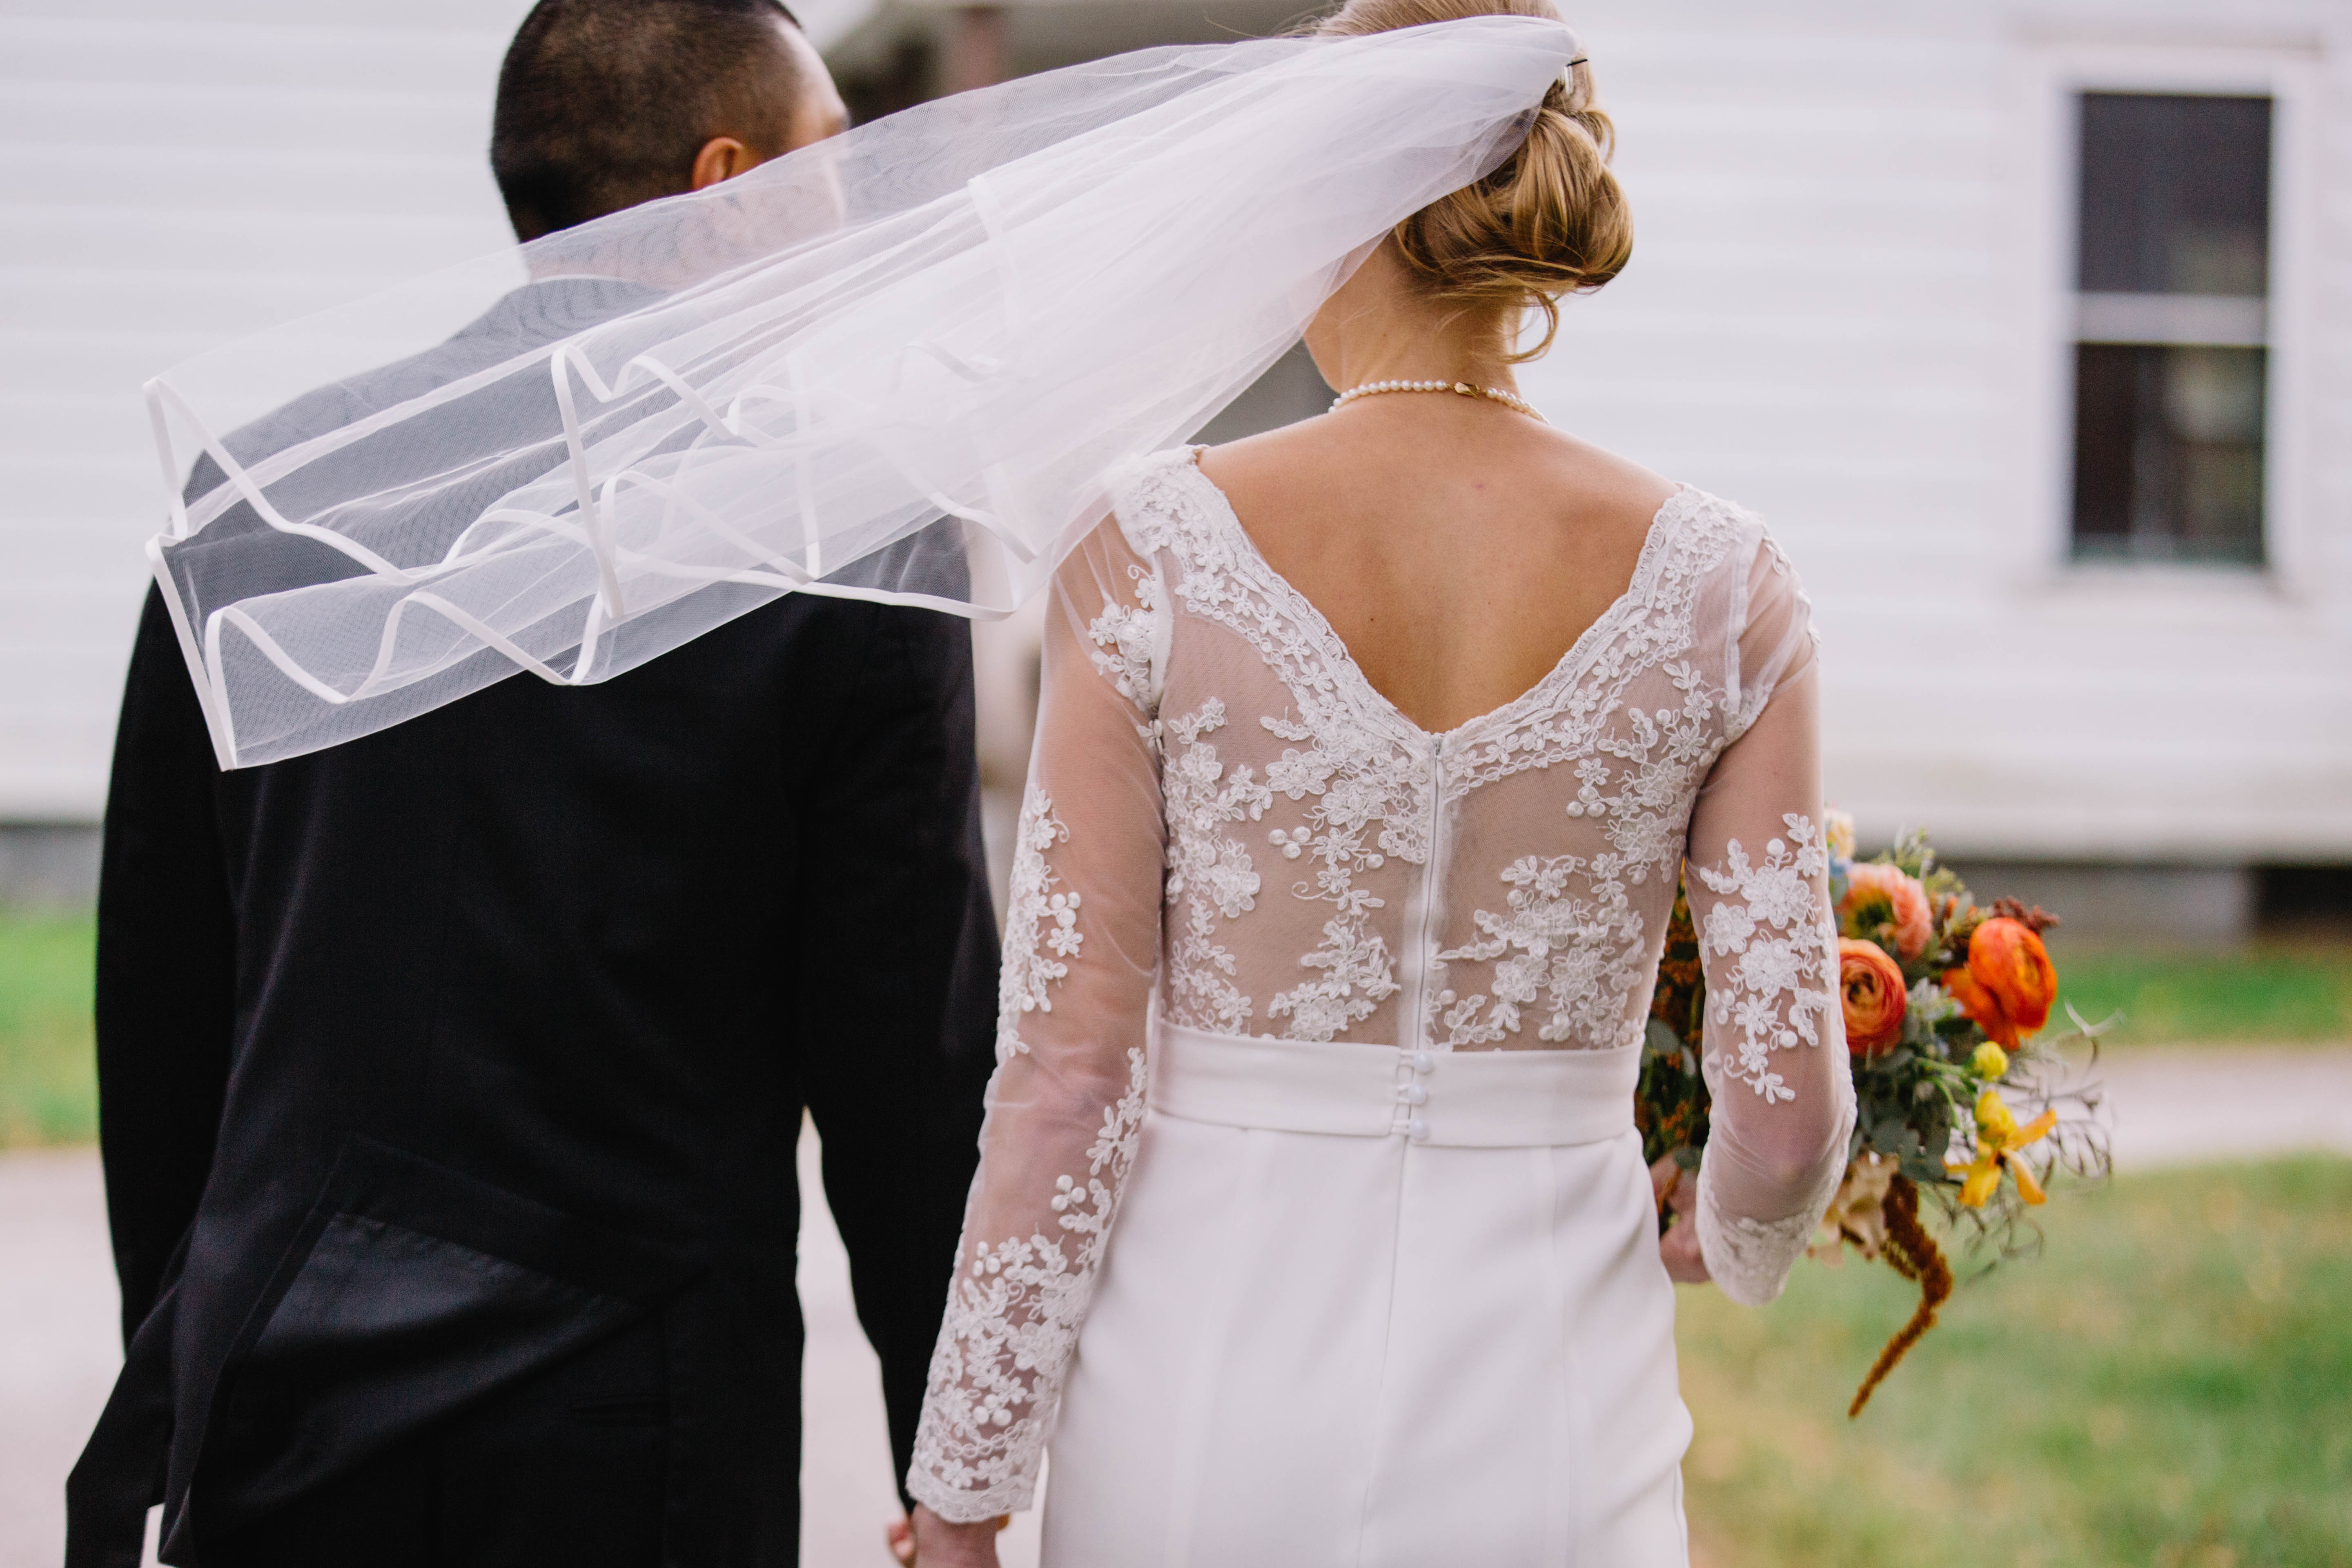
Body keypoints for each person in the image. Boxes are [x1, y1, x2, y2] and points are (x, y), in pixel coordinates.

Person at [903, 0, 1855, 1561]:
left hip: (1203, 1393)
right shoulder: (1722, 587)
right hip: (1554, 1406)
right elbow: (1790, 1107)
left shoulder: (1149, 549)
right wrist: (1735, 1235)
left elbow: (1069, 1078)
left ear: (1344, 201)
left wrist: (964, 1488)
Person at [65, 4, 998, 1565]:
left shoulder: (264, 496)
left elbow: (160, 985)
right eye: (837, 169)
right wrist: (946, 1456)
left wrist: (191, 1336)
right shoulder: (848, 538)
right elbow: (906, 1056)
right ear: (730, 188)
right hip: (638, 1415)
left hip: (281, 1373)